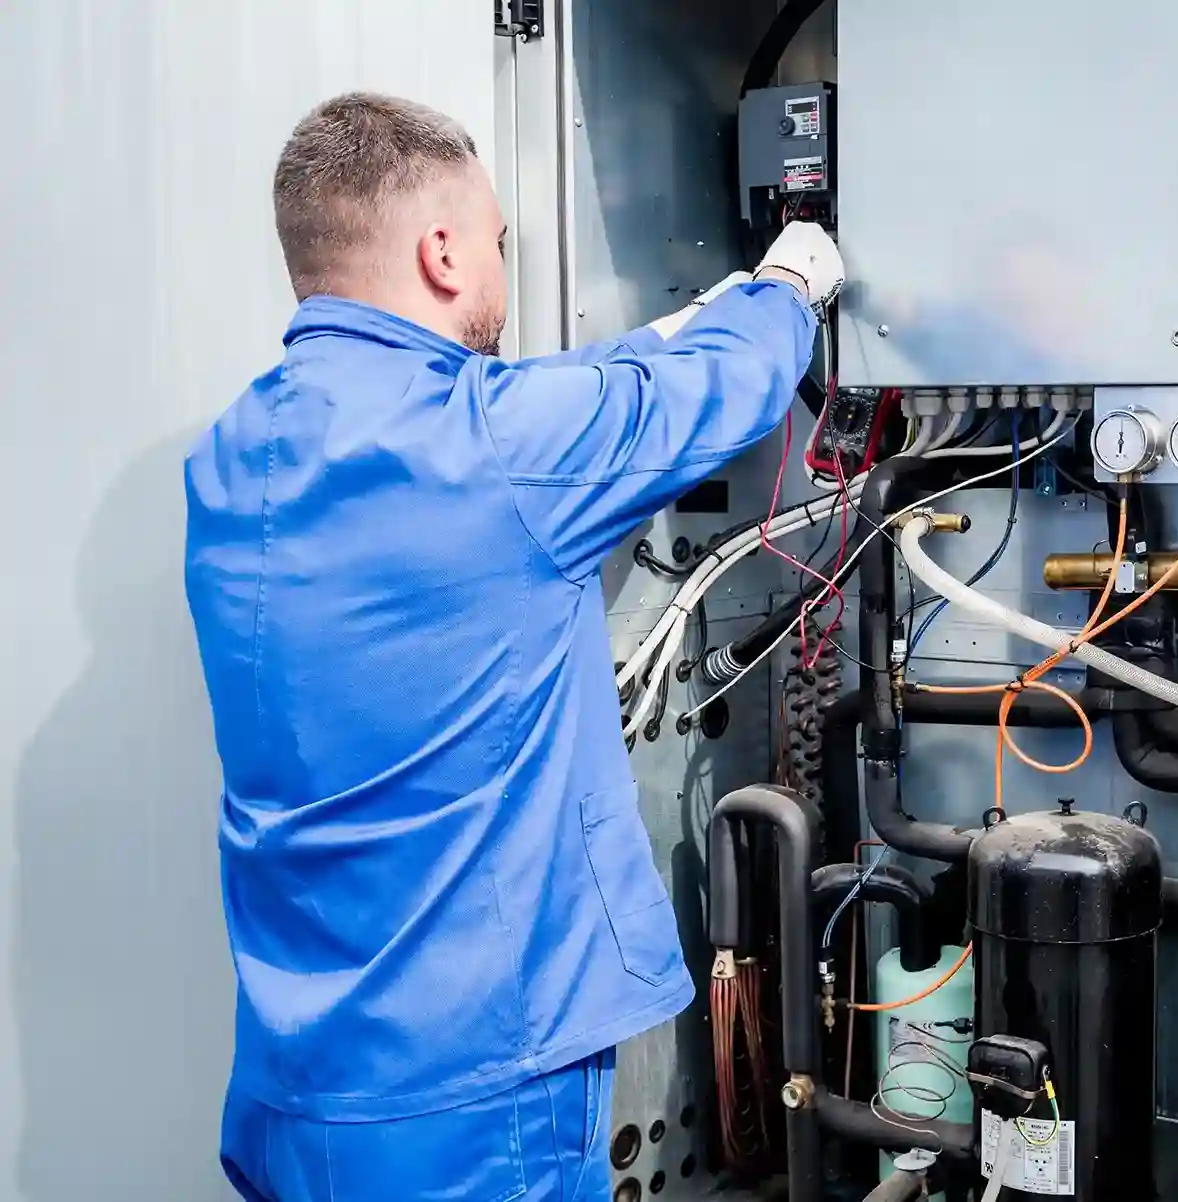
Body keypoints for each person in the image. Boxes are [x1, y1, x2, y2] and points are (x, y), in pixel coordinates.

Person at [183, 92, 845, 1201]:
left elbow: (552, 401)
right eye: (496, 241)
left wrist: (682, 321)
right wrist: (787, 286)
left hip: (297, 1083)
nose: (501, 266)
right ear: (441, 252)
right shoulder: (499, 446)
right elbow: (712, 392)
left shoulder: (234, 452)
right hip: (474, 1092)